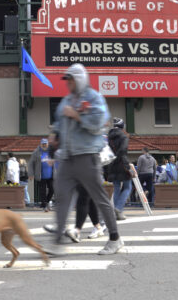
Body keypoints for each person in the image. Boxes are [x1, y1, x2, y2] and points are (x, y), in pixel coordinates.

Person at [47, 63, 122, 255]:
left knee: (99, 197)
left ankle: (115, 238)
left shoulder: (93, 97)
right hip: (68, 157)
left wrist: (78, 116)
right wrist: (55, 135)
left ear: (79, 79)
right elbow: (59, 121)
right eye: (67, 80)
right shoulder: (66, 100)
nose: (68, 84)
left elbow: (100, 122)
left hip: (88, 156)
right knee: (62, 196)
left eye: (71, 80)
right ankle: (57, 243)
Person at [105, 117, 132, 220]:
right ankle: (119, 209)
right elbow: (123, 150)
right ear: (122, 126)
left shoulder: (109, 137)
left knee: (116, 188)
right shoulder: (124, 136)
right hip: (121, 163)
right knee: (127, 187)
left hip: (111, 164)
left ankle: (117, 213)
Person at [31, 138, 55, 212]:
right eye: (43, 144)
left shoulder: (51, 152)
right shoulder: (37, 152)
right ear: (40, 144)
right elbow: (32, 163)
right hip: (41, 175)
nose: (44, 145)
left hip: (51, 175)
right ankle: (44, 205)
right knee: (43, 191)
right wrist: (31, 173)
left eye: (45, 144)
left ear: (47, 144)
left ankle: (46, 203)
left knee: (52, 189)